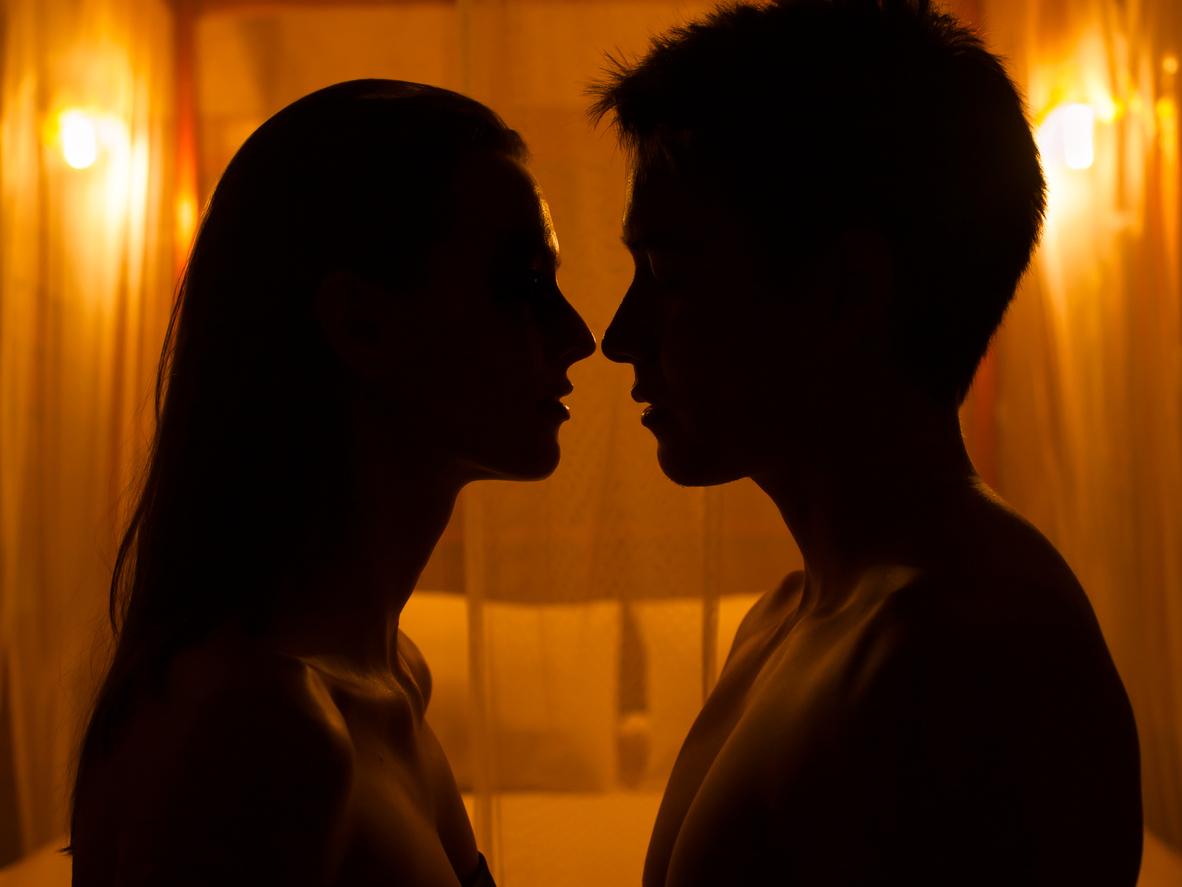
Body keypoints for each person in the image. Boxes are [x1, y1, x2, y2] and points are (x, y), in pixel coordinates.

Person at [594, 1, 1142, 884]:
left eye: (668, 273)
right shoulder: (790, 615)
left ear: (845, 290)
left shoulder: (976, 657)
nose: (619, 336)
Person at [68, 79, 594, 886]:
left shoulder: (390, 676)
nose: (578, 335)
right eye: (524, 284)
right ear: (361, 324)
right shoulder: (258, 728)